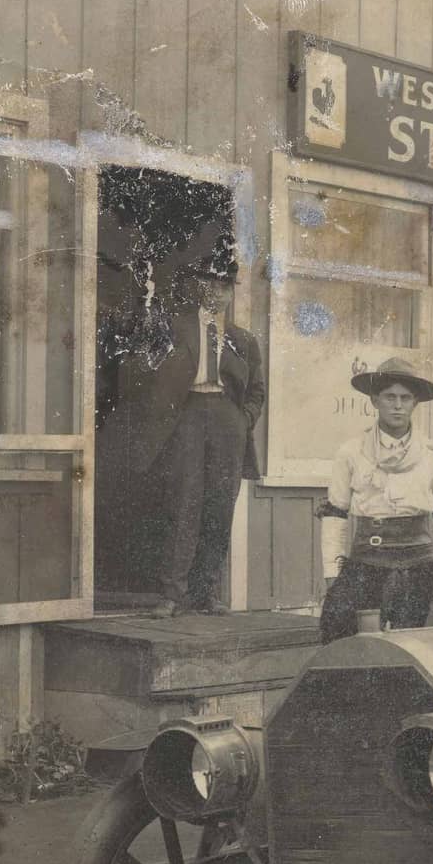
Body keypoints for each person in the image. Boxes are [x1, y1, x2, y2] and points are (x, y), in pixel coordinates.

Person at [137, 234, 264, 616]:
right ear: (198, 286)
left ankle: (204, 591)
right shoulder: (174, 328)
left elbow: (257, 390)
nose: (217, 292)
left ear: (230, 292)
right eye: (210, 283)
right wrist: (168, 417)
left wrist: (243, 422)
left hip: (227, 419)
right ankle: (171, 594)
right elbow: (148, 375)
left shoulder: (243, 339)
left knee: (219, 507)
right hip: (188, 416)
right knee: (184, 501)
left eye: (225, 285)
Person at [316, 358, 433, 642]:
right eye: (390, 397)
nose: (397, 405)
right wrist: (331, 571)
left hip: (419, 565)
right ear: (375, 401)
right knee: (340, 631)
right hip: (367, 562)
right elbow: (335, 513)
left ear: (415, 403)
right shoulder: (351, 452)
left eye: (405, 398)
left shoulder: (432, 453)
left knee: (416, 645)